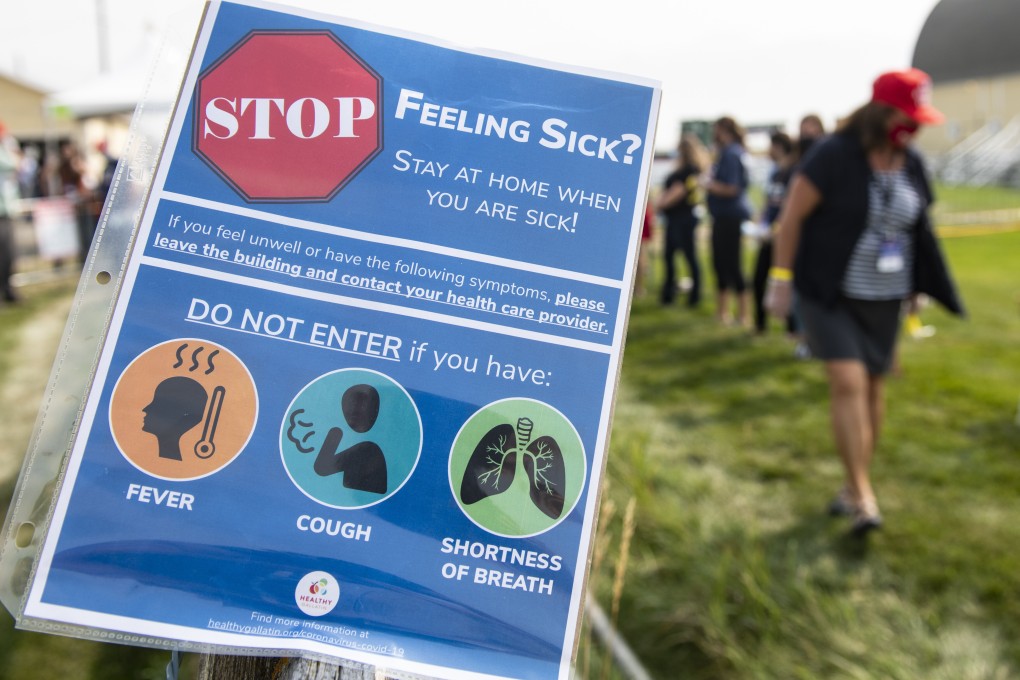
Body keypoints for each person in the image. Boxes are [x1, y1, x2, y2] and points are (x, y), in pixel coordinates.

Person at [766, 68, 965, 536]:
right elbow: (792, 219)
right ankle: (863, 496)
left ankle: (851, 484)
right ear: (881, 112)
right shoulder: (834, 155)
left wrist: (917, 288)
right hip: (828, 291)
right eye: (906, 116)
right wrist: (780, 280)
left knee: (874, 387)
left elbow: (918, 230)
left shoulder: (910, 162)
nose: (913, 127)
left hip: (885, 296)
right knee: (848, 380)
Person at [704, 116, 752, 326]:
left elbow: (732, 188)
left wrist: (708, 184)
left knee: (732, 265)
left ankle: (743, 315)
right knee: (720, 264)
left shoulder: (732, 153)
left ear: (724, 130)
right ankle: (723, 312)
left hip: (730, 217)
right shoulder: (730, 152)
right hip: (723, 216)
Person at [751, 131, 796, 334]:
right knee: (758, 279)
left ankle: (792, 328)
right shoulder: (775, 173)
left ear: (779, 146)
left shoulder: (794, 173)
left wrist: (776, 228)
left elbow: (790, 207)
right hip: (767, 237)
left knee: (787, 280)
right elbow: (769, 203)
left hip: (783, 237)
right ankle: (760, 325)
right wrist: (761, 223)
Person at [657, 133, 709, 307]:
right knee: (676, 257)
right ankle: (672, 294)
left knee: (685, 257)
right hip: (681, 218)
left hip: (682, 219)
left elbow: (676, 193)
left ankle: (687, 296)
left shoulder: (688, 172)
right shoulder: (691, 171)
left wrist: (659, 204)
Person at [0, 121, 21, 304]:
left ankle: (7, 289)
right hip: (1, 214)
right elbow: (13, 163)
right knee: (5, 253)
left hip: (6, 212)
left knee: (9, 254)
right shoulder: (4, 153)